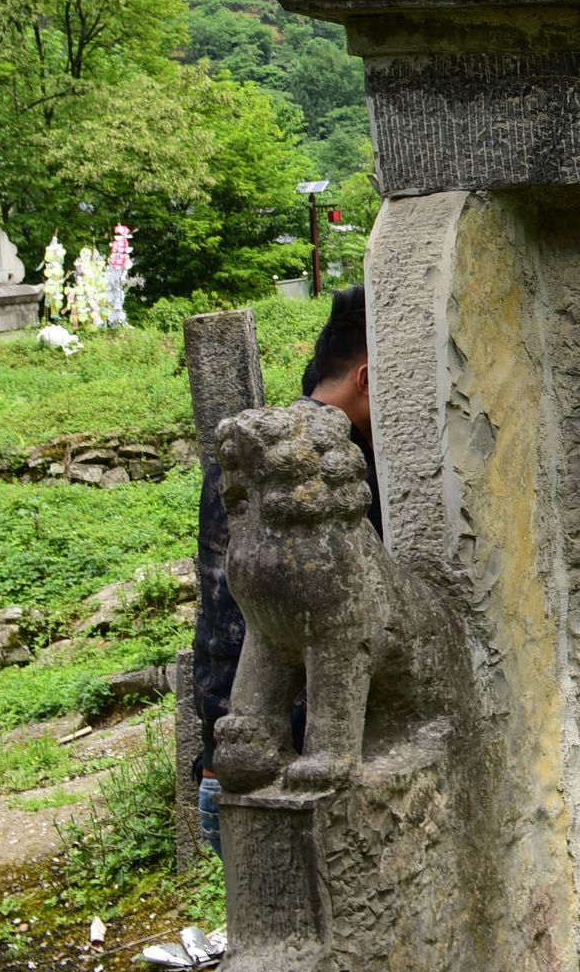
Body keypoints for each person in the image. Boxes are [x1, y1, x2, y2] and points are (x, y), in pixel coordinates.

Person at [190, 285, 379, 862]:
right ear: (368, 378)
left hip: (236, 749)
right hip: (289, 756)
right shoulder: (340, 470)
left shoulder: (250, 461)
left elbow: (222, 621)